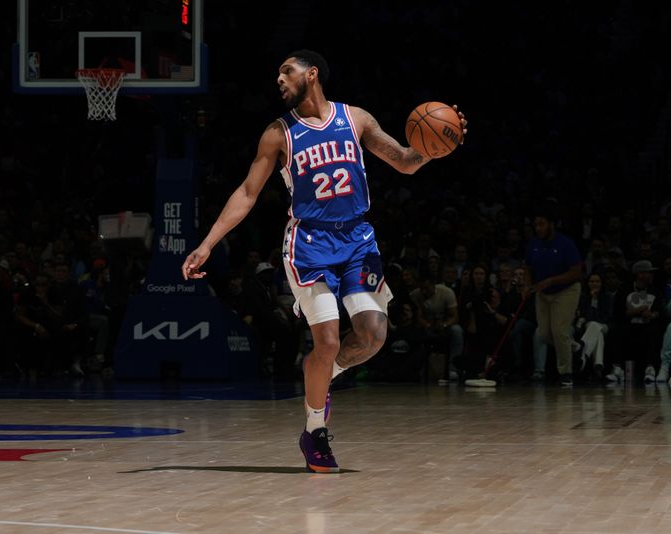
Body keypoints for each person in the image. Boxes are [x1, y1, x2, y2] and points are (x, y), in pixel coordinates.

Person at [181, 50, 466, 472]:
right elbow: (247, 193)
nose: (279, 78)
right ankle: (314, 431)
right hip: (309, 243)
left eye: (286, 70)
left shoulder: (356, 119)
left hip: (356, 240)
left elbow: (405, 161)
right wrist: (207, 243)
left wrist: (439, 145)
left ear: (311, 74)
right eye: (278, 72)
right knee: (328, 340)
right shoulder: (278, 134)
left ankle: (322, 377)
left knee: (372, 336)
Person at [524, 201, 583, 387]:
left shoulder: (566, 244)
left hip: (566, 290)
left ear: (551, 224)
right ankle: (576, 347)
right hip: (542, 292)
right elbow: (527, 267)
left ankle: (566, 373)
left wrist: (551, 280)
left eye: (541, 224)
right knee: (544, 334)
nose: (538, 228)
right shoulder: (533, 244)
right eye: (536, 225)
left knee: (559, 331)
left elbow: (576, 272)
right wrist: (527, 285)